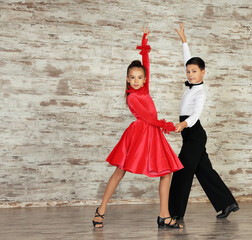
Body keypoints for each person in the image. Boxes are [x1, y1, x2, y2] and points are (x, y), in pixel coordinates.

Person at [92, 26, 183, 229]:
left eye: (139, 77)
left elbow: (147, 66)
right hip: (140, 134)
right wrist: (166, 125)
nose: (136, 81)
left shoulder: (145, 87)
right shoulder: (132, 98)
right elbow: (149, 118)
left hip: (153, 135)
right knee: (120, 171)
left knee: (167, 172)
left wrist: (144, 45)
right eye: (132, 77)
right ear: (127, 79)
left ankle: (163, 215)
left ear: (144, 78)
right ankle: (101, 210)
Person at [169, 23, 239, 221]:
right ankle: (227, 203)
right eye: (188, 71)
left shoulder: (200, 92)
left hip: (194, 133)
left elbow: (196, 114)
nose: (190, 74)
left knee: (182, 171)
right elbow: (187, 60)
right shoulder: (190, 84)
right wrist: (184, 41)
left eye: (194, 71)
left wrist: (183, 124)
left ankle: (174, 212)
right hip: (190, 134)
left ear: (203, 72)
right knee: (204, 170)